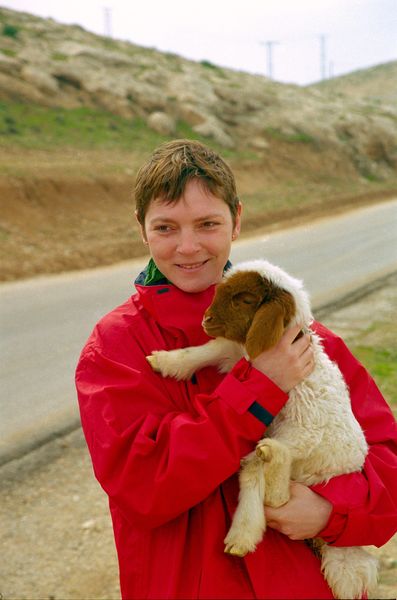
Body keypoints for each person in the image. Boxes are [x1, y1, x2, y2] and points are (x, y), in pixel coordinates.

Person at [75, 139, 397, 599]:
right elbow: (145, 487)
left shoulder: (300, 334)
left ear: (237, 219)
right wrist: (259, 386)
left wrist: (332, 512)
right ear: (142, 229)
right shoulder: (116, 346)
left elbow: (385, 453)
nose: (188, 247)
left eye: (207, 224)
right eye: (166, 227)